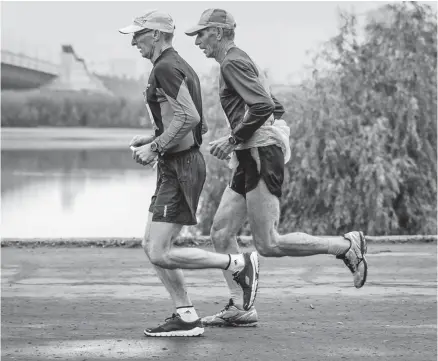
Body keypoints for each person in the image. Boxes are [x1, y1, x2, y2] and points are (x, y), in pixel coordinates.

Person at [185, 8, 368, 327]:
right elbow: (274, 106)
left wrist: (233, 138)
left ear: (217, 32)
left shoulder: (232, 62)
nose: (197, 40)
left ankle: (345, 245)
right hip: (250, 153)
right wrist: (245, 138)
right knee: (220, 232)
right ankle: (240, 307)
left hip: (258, 153)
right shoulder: (238, 60)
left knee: (268, 242)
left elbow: (264, 106)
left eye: (201, 33)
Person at [119, 10, 260, 337]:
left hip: (180, 167)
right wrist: (156, 138)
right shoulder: (179, 65)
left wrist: (155, 148)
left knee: (159, 250)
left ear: (155, 35)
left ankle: (237, 264)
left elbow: (191, 118)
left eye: (138, 35)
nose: (133, 42)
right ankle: (185, 314)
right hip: (178, 164)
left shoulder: (167, 67)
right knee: (150, 244)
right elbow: (200, 124)